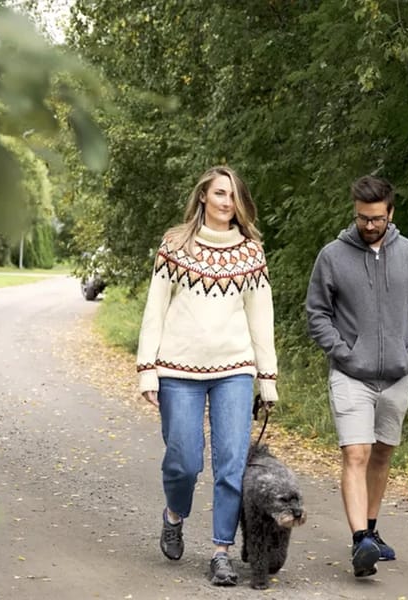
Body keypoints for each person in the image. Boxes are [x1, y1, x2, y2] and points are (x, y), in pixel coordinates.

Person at [136, 165, 278, 587]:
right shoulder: (175, 245)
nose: (225, 202)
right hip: (177, 369)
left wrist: (266, 378)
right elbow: (155, 310)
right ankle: (174, 514)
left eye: (232, 196)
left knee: (231, 463)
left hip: (234, 369)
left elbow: (261, 318)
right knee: (183, 459)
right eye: (219, 194)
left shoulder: (251, 252)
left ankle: (221, 551)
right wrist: (147, 370)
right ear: (203, 197)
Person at [305, 174, 408, 578]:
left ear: (390, 213)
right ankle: (359, 540)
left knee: (382, 452)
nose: (369, 225)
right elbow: (317, 313)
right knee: (355, 452)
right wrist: (342, 352)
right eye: (363, 218)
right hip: (351, 374)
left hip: (397, 375)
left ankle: (373, 530)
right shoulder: (332, 256)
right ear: (355, 213)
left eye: (376, 218)